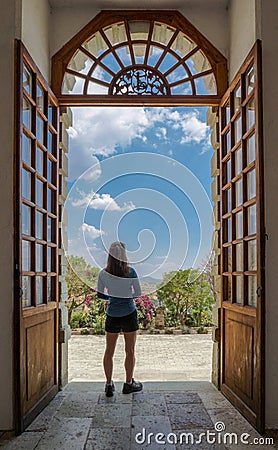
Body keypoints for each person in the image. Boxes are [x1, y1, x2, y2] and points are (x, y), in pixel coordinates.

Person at [97, 241, 143, 397]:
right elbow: (137, 293)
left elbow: (100, 294)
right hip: (129, 314)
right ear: (124, 255)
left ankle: (109, 385)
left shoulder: (103, 274)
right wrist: (125, 295)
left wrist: (113, 296)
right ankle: (128, 384)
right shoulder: (131, 272)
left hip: (112, 315)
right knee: (129, 351)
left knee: (109, 351)